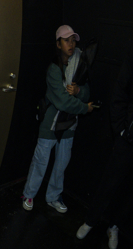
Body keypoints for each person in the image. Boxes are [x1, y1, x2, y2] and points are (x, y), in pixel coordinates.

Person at [22, 25, 93, 213]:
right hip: (50, 125)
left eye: (73, 40)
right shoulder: (54, 69)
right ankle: (29, 194)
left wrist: (78, 91)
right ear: (58, 44)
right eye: (66, 40)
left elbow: (87, 92)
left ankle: (53, 197)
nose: (71, 44)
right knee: (40, 162)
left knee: (61, 165)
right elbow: (62, 101)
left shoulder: (79, 65)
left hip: (69, 125)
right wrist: (84, 108)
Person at [76, 48, 133, 249]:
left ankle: (114, 226)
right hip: (127, 138)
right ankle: (90, 221)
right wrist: (121, 130)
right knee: (110, 182)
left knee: (129, 193)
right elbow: (120, 91)